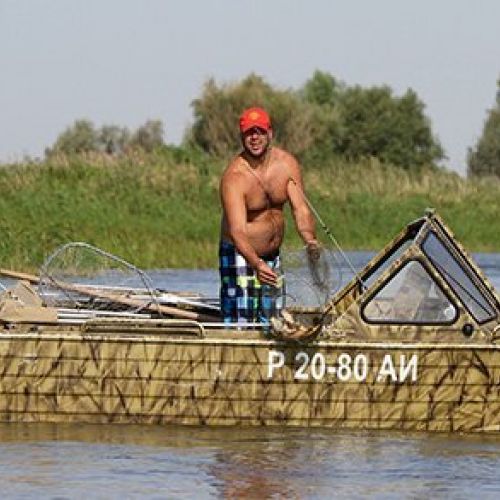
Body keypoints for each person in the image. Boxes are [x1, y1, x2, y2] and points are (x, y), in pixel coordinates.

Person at [219, 106, 319, 325]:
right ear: (242, 137)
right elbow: (237, 231)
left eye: (259, 132)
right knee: (242, 323)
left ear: (270, 133)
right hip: (240, 255)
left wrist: (309, 239)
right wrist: (256, 264)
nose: (254, 138)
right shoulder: (234, 177)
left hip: (272, 255)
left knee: (273, 322)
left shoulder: (287, 165)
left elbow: (300, 209)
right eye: (249, 133)